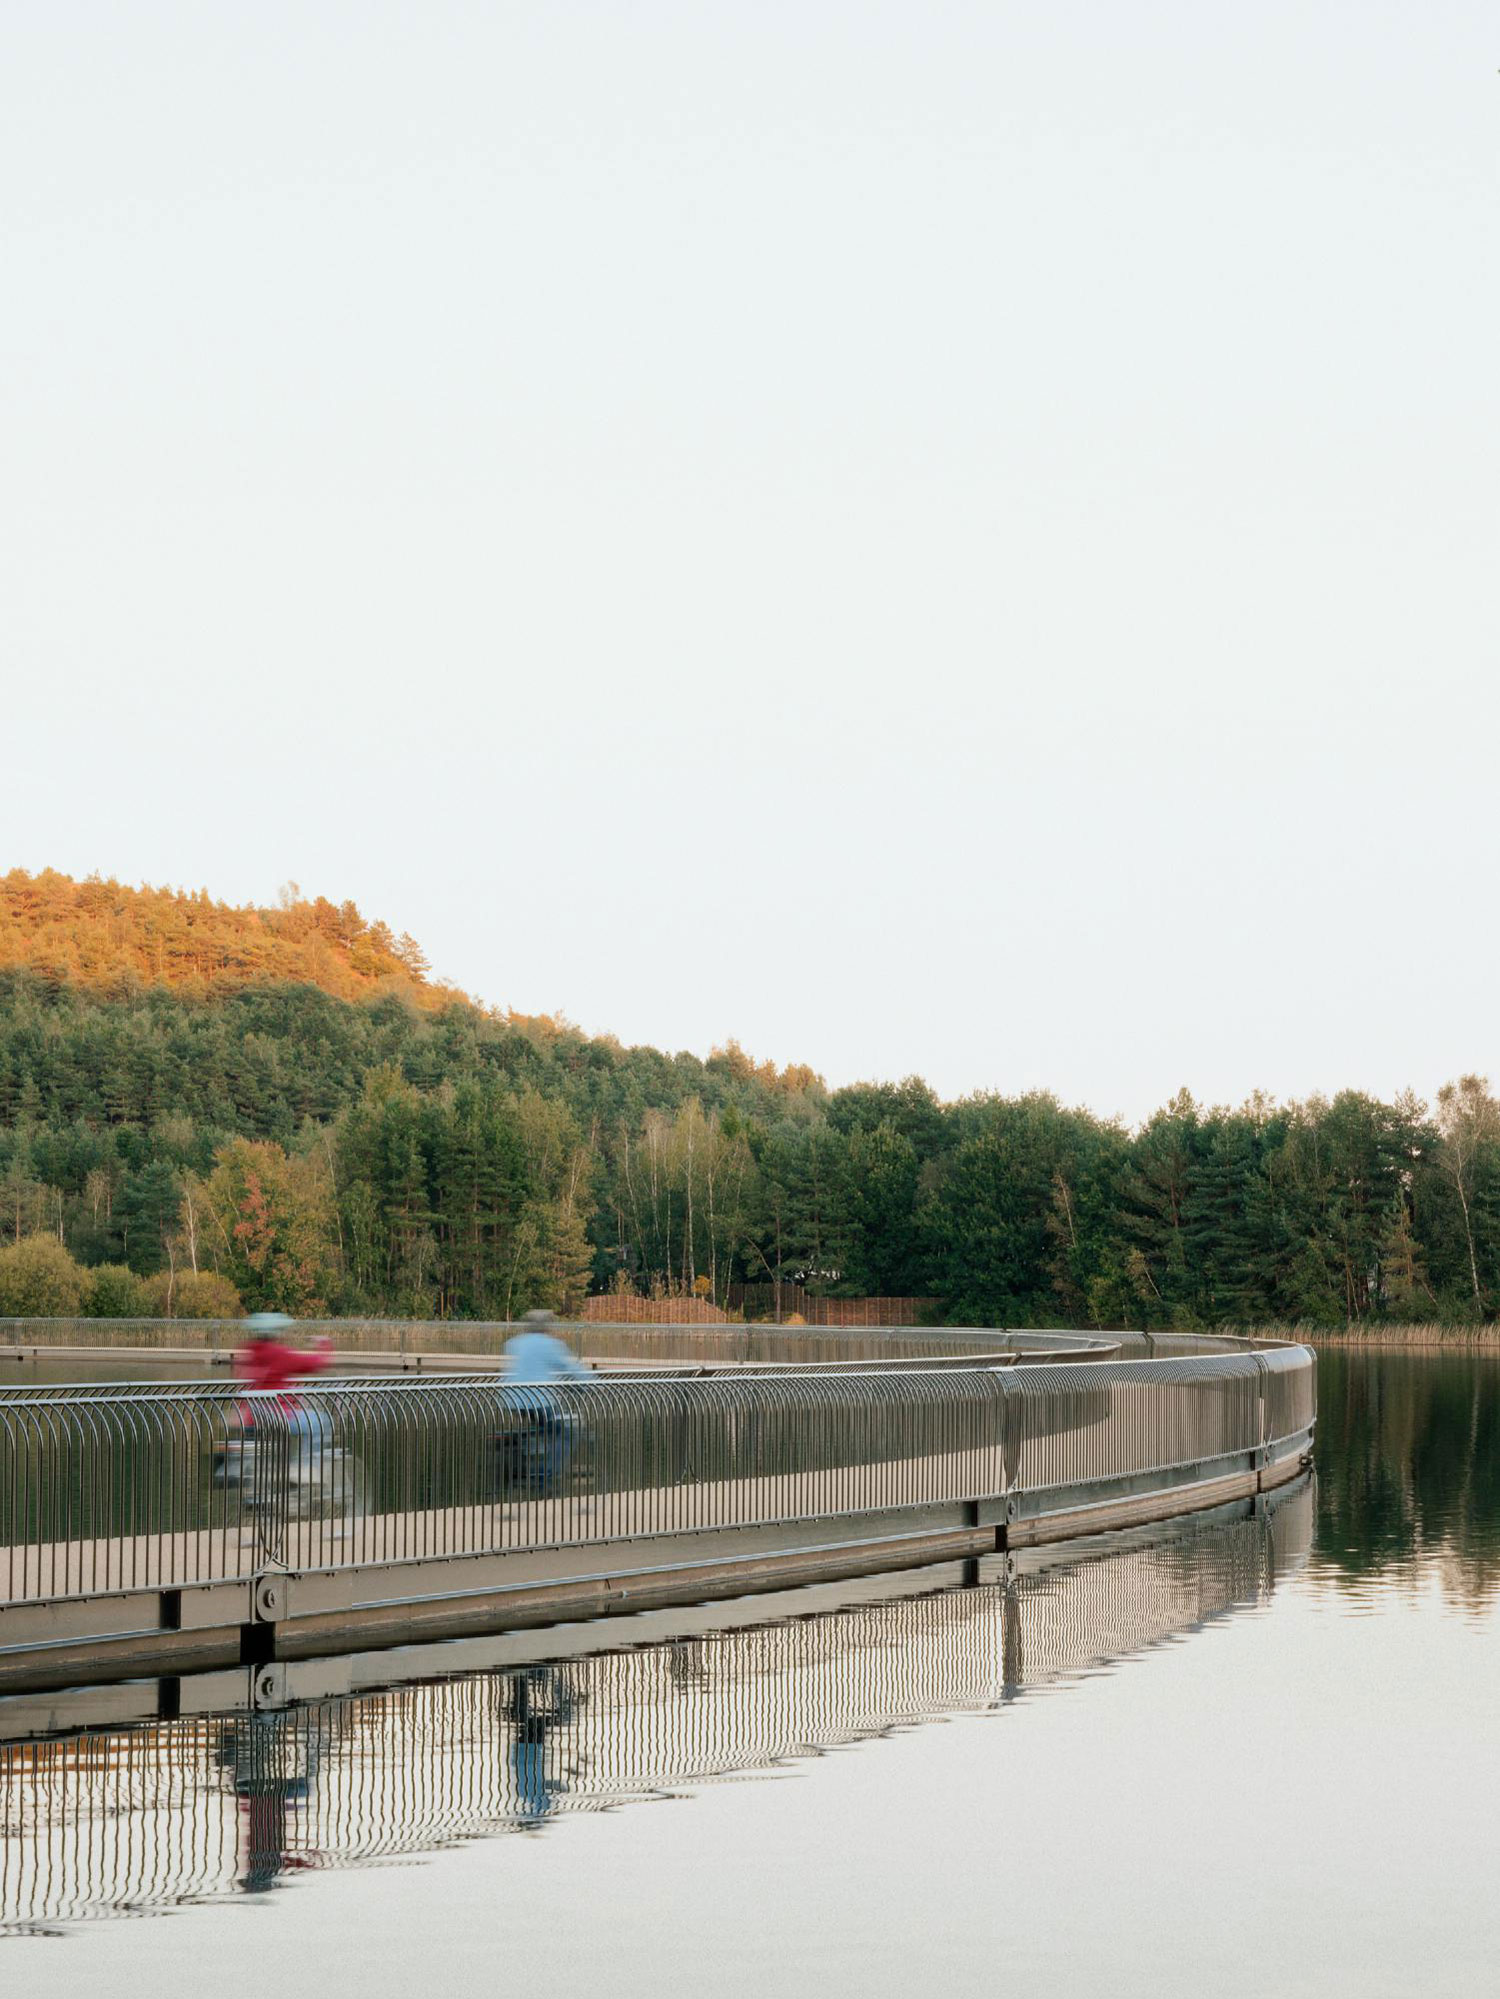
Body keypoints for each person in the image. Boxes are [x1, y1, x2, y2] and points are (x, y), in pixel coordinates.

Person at [498, 1309, 590, 1495]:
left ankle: (520, 1471)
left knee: (536, 1432)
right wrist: (591, 1385)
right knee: (567, 1433)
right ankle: (545, 1475)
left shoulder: (515, 1343)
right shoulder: (552, 1345)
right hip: (541, 1401)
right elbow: (570, 1368)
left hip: (512, 1401)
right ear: (546, 1327)